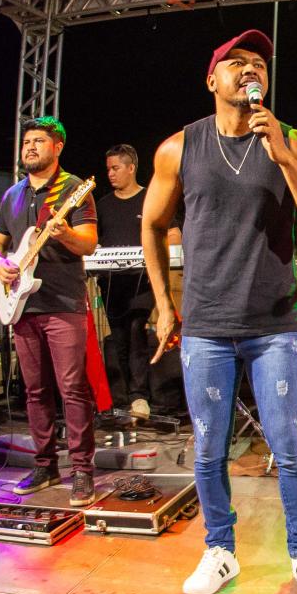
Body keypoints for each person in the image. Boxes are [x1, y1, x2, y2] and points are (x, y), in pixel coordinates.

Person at [143, 29, 297, 594]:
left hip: (273, 325)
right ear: (213, 79)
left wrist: (282, 155)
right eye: (237, 62)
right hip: (206, 326)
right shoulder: (178, 148)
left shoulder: (294, 141)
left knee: (289, 446)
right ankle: (220, 550)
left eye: (258, 62)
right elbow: (151, 225)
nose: (250, 69)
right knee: (209, 447)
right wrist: (164, 302)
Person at [0, 117, 101, 506]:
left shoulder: (74, 190)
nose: (30, 147)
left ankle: (82, 471)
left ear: (58, 147)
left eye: (39, 140)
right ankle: (44, 464)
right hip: (22, 303)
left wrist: (65, 234)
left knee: (72, 389)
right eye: (27, 142)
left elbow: (89, 243)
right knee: (34, 391)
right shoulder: (11, 195)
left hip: (63, 302)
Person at [93, 143, 180, 420]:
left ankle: (140, 395)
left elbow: (175, 234)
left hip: (143, 283)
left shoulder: (150, 199)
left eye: (116, 168)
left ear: (131, 168)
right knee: (117, 338)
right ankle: (122, 395)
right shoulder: (103, 205)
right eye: (108, 169)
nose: (111, 174)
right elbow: (93, 242)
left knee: (135, 331)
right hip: (111, 284)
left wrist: (150, 252)